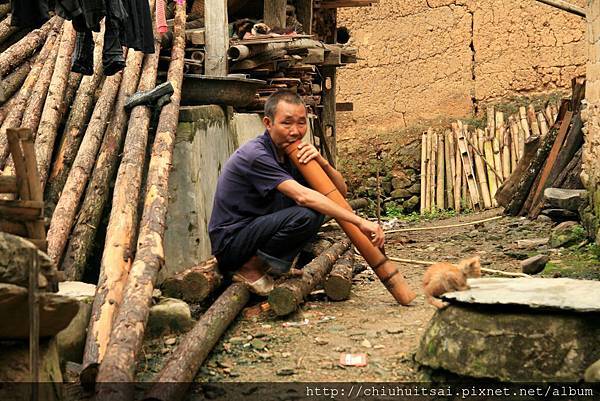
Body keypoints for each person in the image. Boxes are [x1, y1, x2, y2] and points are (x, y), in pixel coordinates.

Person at [208, 91, 384, 295]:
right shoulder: (256, 154)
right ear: (268, 123)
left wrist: (322, 161)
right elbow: (303, 196)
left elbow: (340, 193)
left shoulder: (291, 153)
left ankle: (267, 266)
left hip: (255, 230)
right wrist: (360, 222)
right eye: (287, 123)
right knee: (307, 213)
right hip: (231, 242)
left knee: (320, 209)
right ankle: (250, 269)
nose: (295, 131)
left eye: (301, 123)